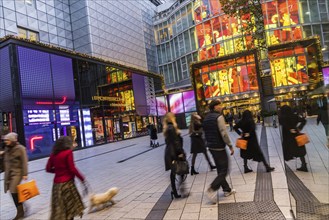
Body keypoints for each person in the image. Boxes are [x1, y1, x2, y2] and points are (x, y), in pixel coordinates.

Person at [202, 100, 236, 203]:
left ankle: (227, 190)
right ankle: (212, 189)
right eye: (219, 105)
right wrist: (230, 145)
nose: (221, 106)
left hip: (211, 147)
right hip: (219, 147)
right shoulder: (219, 117)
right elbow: (224, 133)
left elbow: (204, 133)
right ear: (215, 107)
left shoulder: (206, 118)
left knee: (220, 169)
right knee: (224, 170)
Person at [46, 136, 86, 220]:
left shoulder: (54, 154)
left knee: (61, 209)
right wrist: (82, 178)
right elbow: (72, 168)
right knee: (70, 208)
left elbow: (48, 169)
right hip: (67, 184)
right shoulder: (68, 152)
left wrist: (57, 171)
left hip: (56, 186)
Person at [2, 132, 28, 220]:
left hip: (18, 173)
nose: (6, 142)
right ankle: (23, 206)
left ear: (12, 140)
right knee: (13, 192)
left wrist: (25, 173)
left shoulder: (20, 148)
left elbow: (24, 161)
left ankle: (20, 212)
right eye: (5, 140)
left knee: (13, 190)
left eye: (7, 140)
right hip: (10, 173)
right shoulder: (7, 148)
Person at [163, 112, 186, 199]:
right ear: (171, 118)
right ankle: (177, 190)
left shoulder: (167, 128)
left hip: (170, 152)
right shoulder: (172, 128)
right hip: (174, 152)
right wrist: (180, 152)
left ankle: (175, 190)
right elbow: (176, 142)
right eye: (174, 117)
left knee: (174, 172)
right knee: (180, 170)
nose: (175, 118)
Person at [279, 105, 308, 172]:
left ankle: (284, 166)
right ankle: (304, 165)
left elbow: (283, 124)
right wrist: (299, 128)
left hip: (287, 136)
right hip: (296, 134)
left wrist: (289, 129)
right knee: (300, 149)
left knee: (287, 149)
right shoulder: (294, 116)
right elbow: (304, 120)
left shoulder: (282, 118)